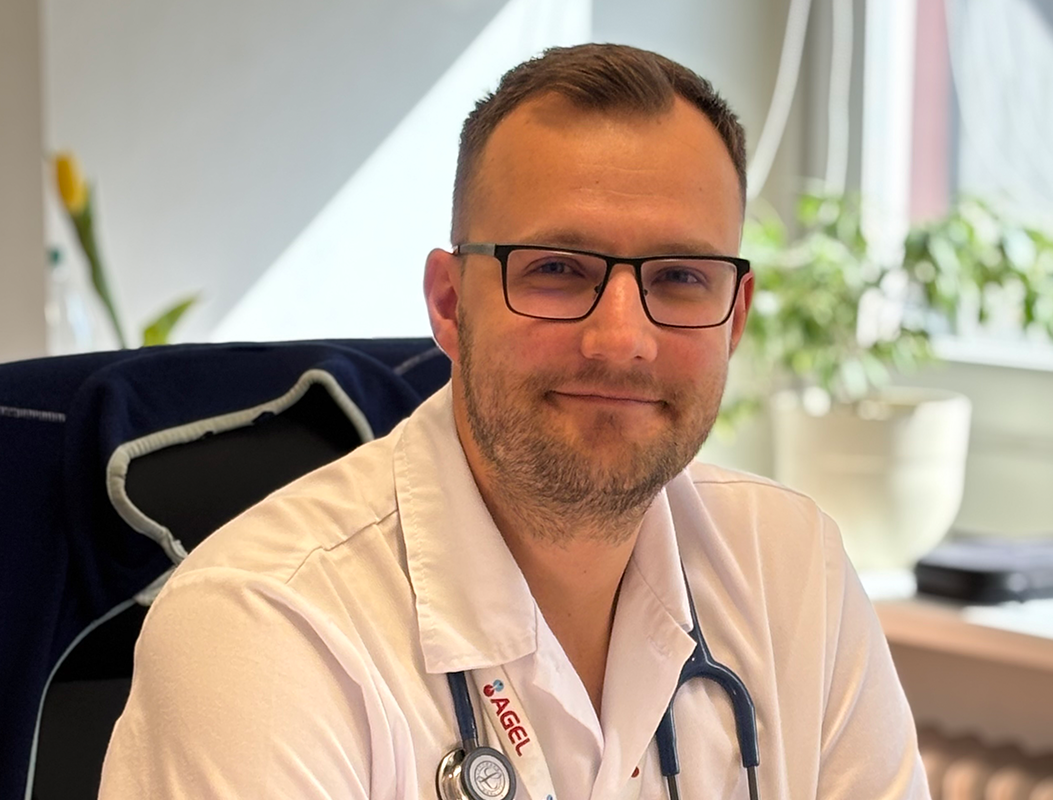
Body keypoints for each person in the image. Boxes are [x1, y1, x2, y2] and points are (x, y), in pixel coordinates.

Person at [100, 43, 930, 799]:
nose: (621, 340)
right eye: (558, 269)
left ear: (735, 316)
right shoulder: (264, 628)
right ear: (450, 303)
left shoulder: (793, 571)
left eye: (680, 277)